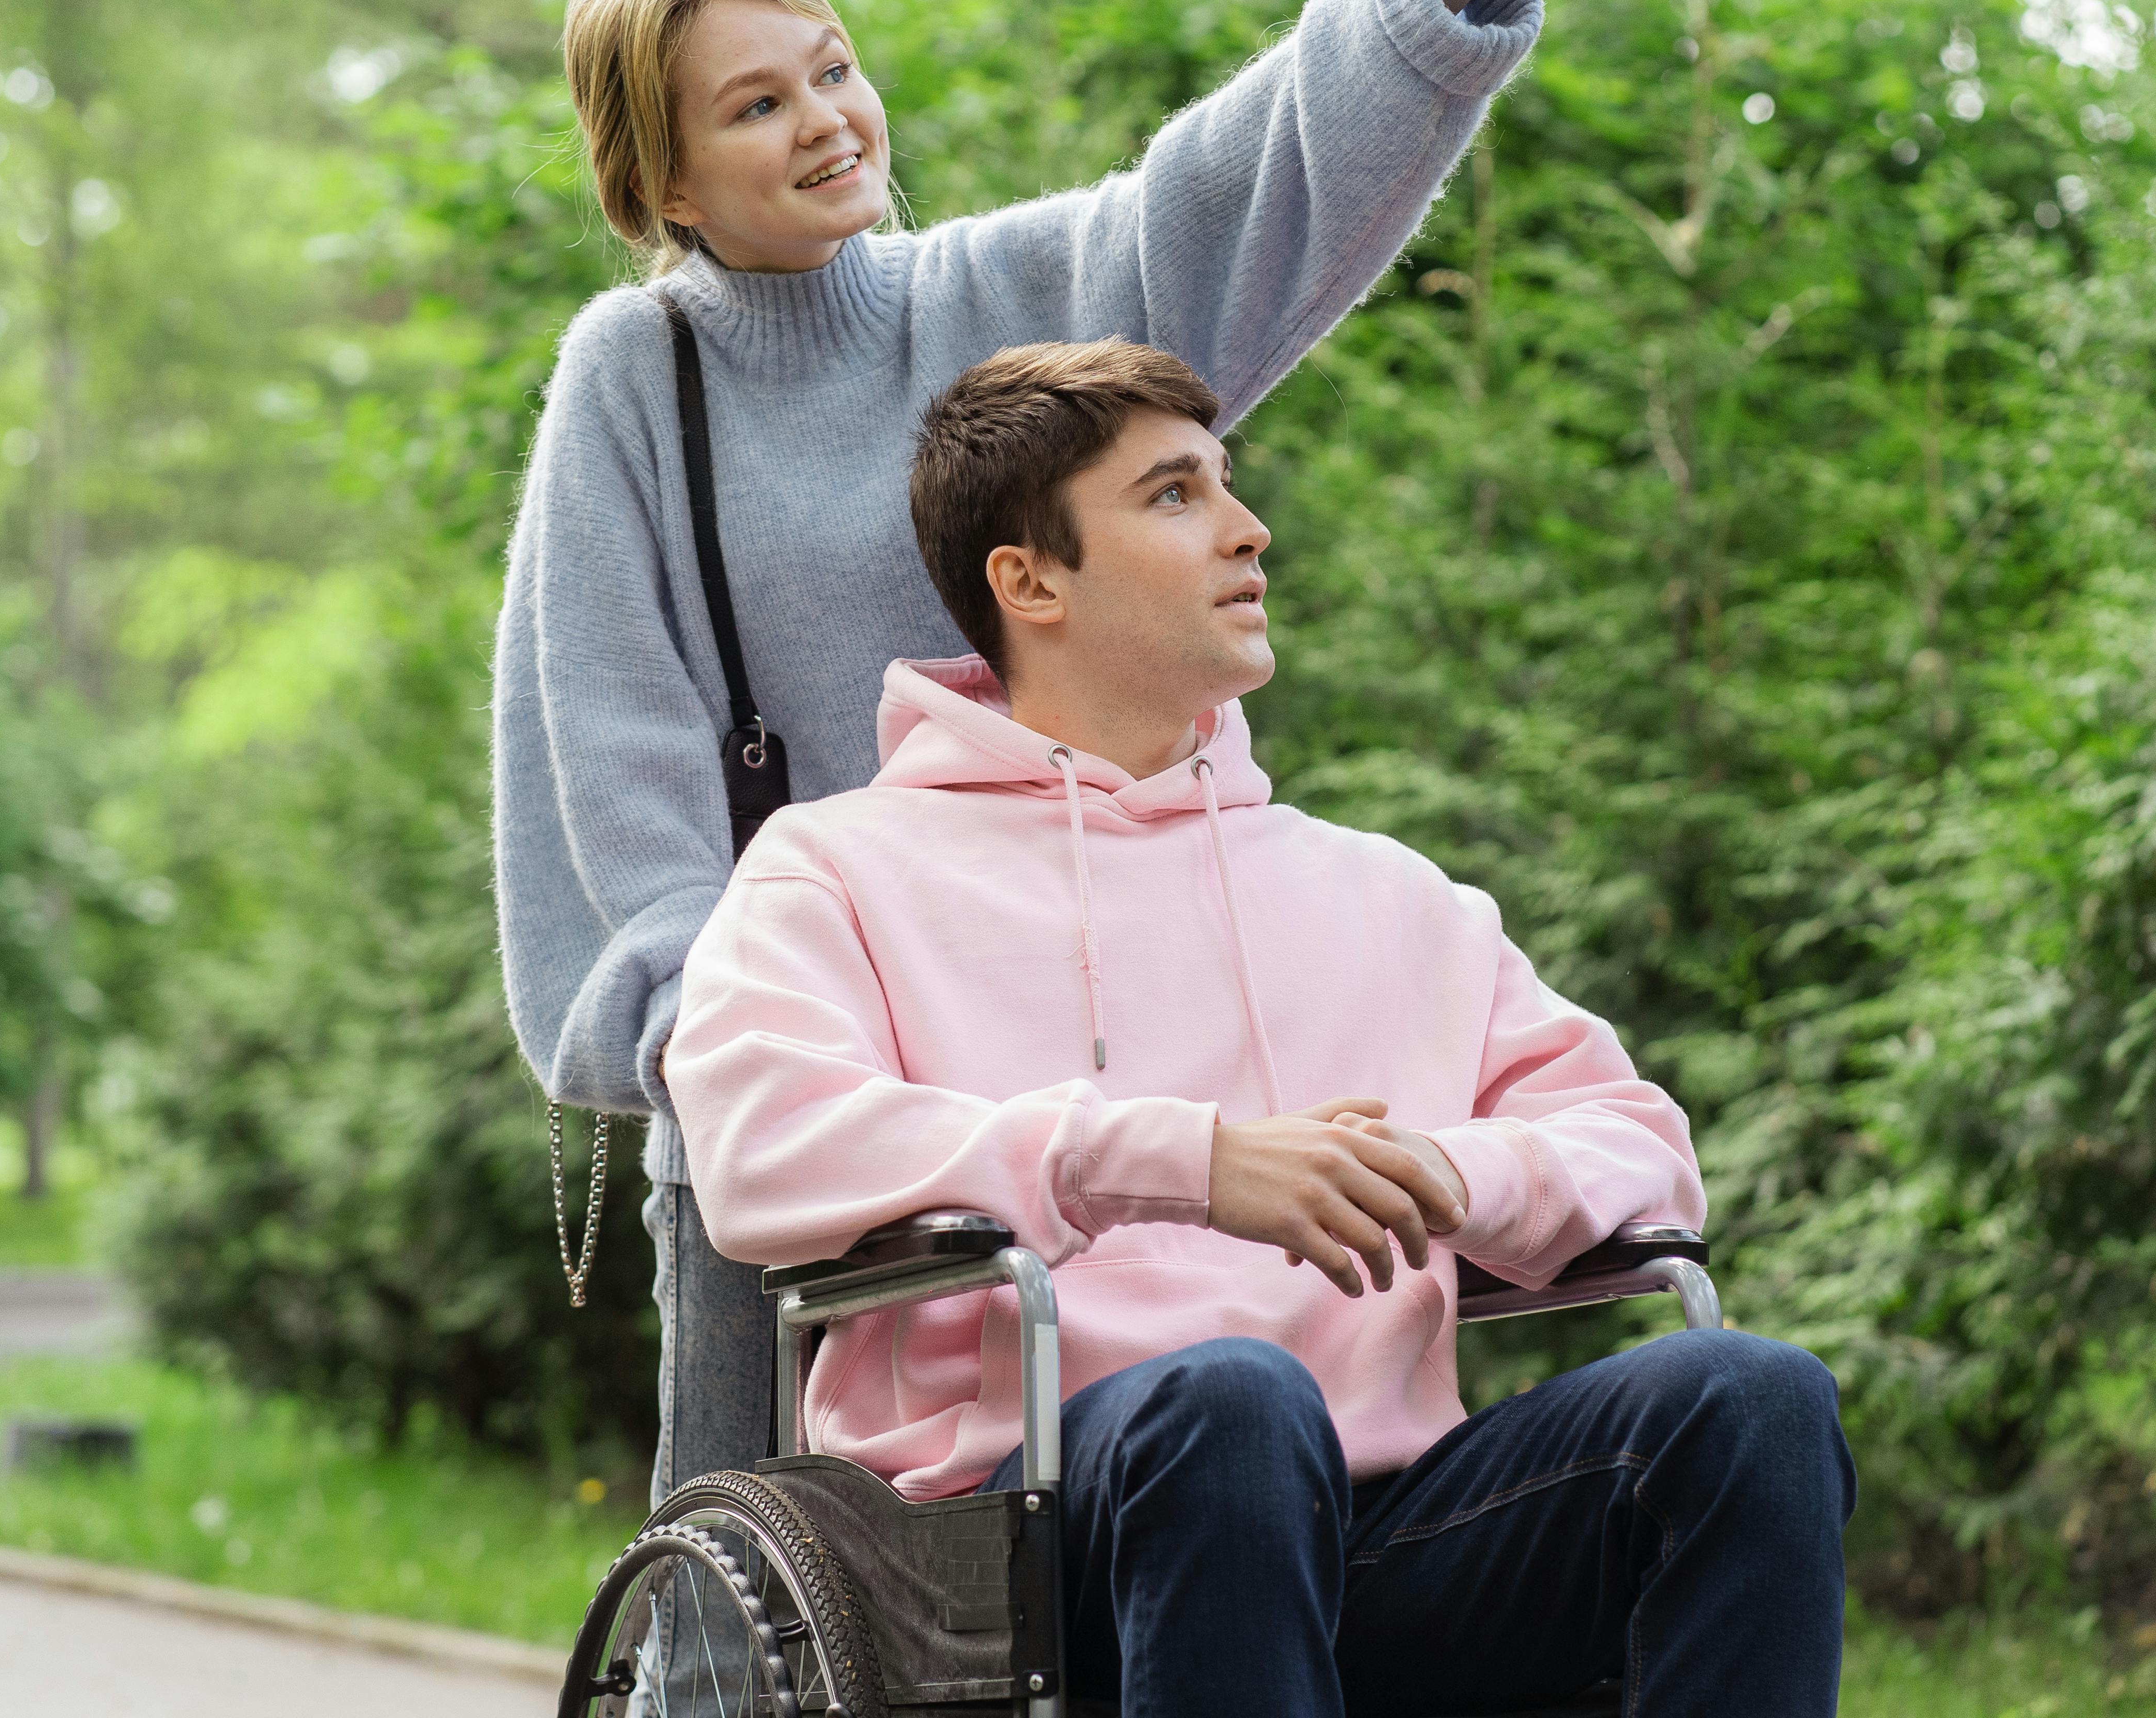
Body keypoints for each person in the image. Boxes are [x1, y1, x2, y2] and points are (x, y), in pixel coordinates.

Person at [494, 0, 1681, 1502]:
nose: (828, 118)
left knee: (1160, 1498)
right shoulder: (641, 376)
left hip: (1069, 1017)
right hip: (814, 1059)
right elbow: (611, 728)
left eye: (833, 70)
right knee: (780, 1564)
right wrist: (730, 1023)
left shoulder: (981, 299)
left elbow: (1219, 199)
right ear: (665, 184)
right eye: (756, 106)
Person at [662, 341, 1857, 1716]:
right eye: (1175, 496)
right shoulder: (839, 871)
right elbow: (763, 1144)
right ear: (1029, 579)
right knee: (1231, 1399)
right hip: (1025, 1535)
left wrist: (1451, 1176)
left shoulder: (1389, 895)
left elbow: (1637, 1142)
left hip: (1388, 1529)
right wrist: (1185, 1160)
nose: (1248, 529)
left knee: (1750, 1399)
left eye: (1227, 486)